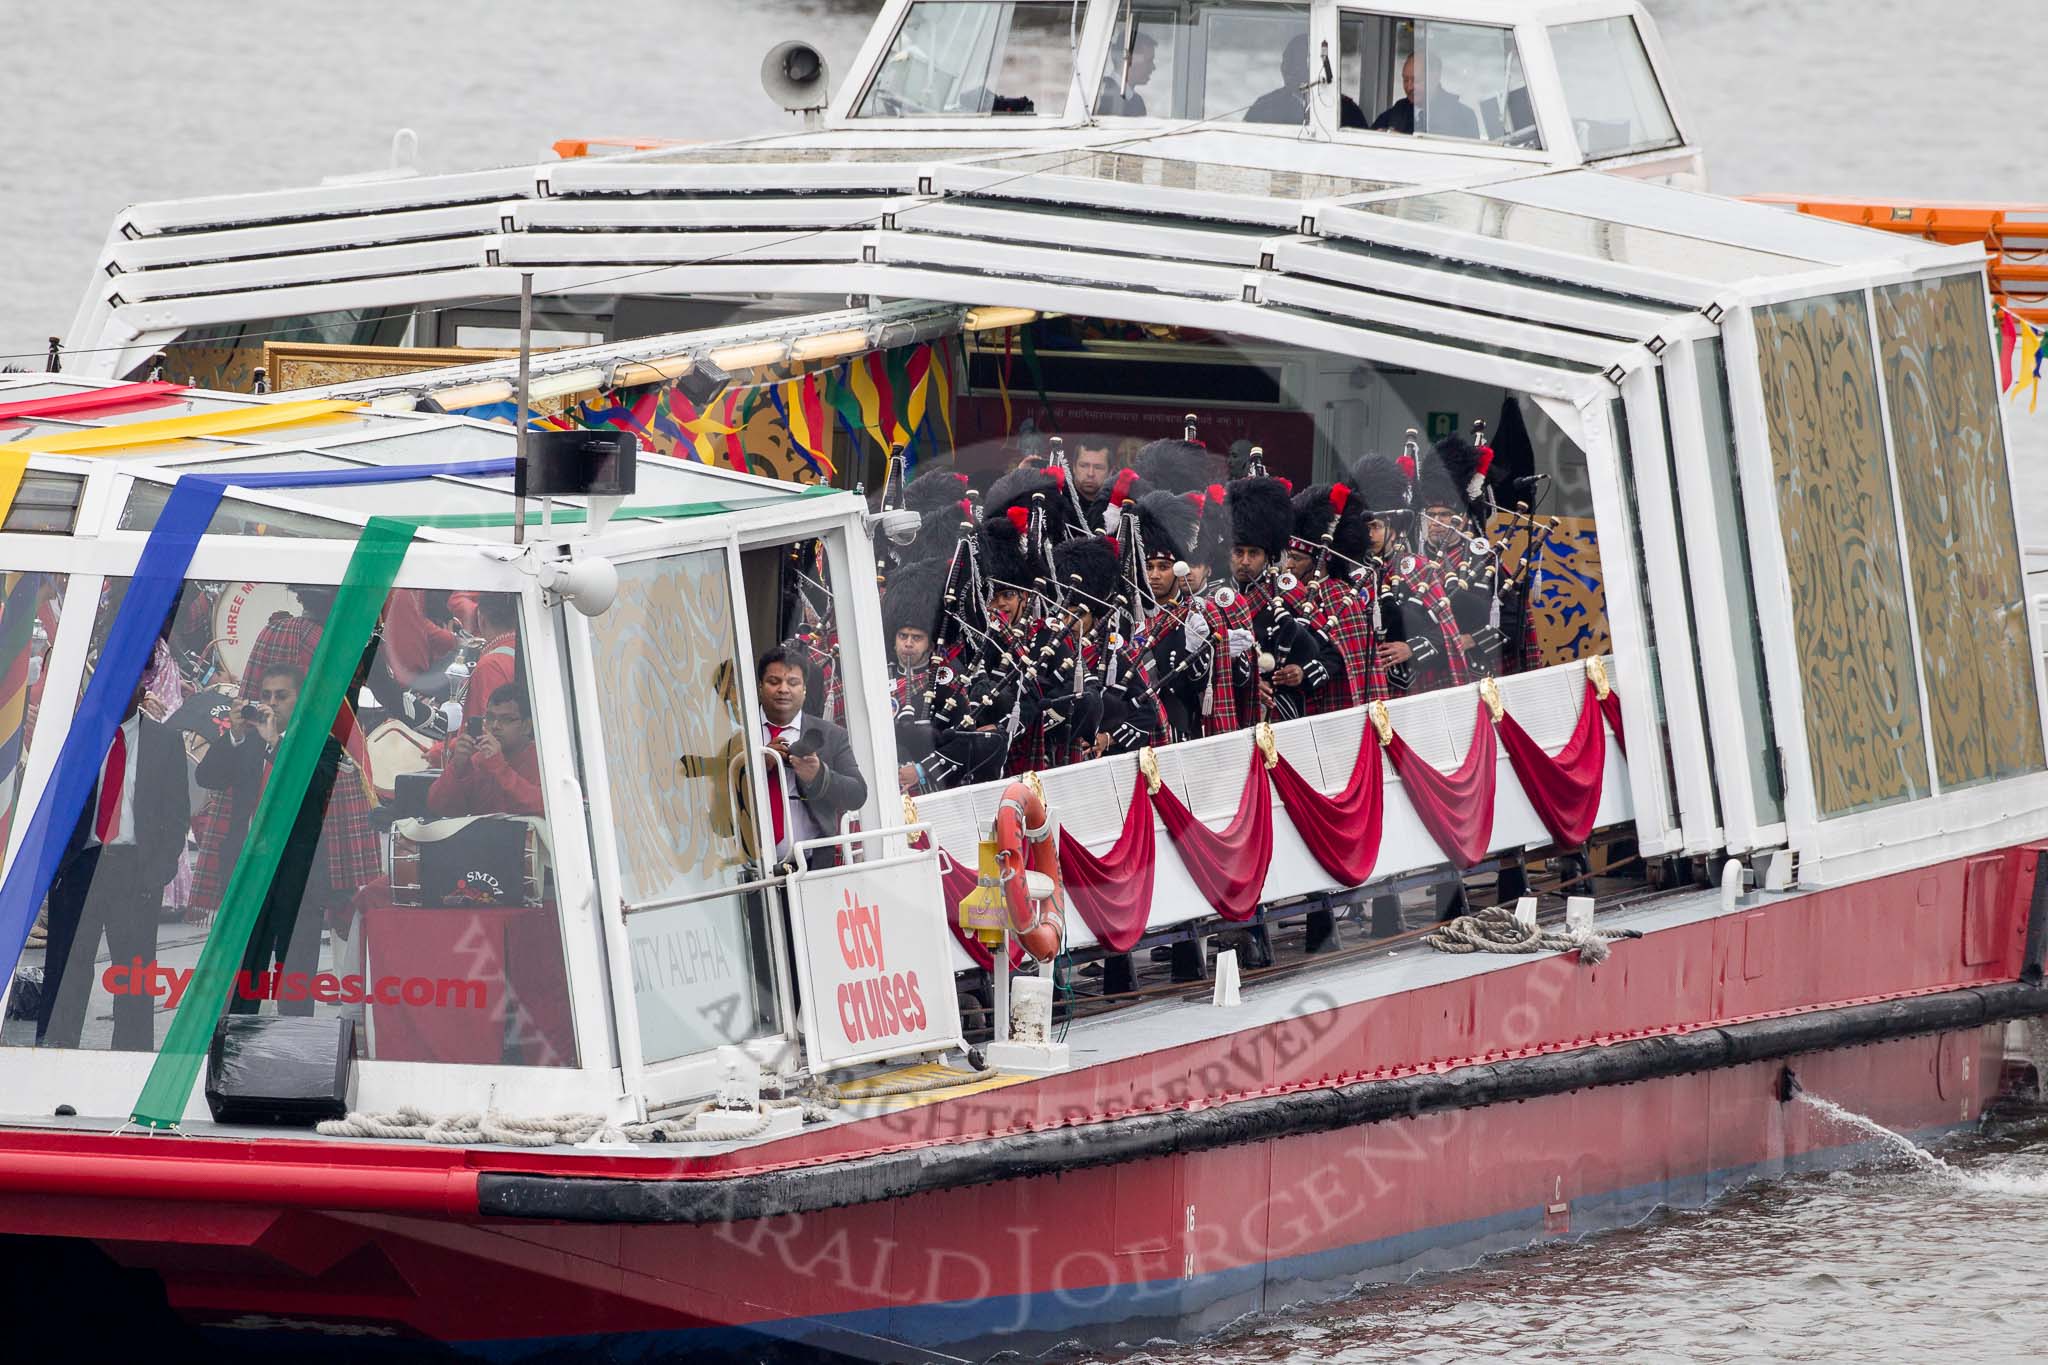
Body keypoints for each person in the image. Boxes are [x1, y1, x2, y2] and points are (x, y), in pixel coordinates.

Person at [194, 665, 380, 1016]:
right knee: (240, 984)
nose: (272, 704)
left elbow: (311, 789)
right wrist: (234, 735)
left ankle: (291, 1055)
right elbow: (208, 776)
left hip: (300, 882)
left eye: (282, 696)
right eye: (266, 696)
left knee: (296, 984)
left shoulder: (320, 745)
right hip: (247, 875)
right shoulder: (246, 741)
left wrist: (275, 744)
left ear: (300, 700)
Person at [38, 680, 190, 1050]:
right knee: (67, 968)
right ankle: (55, 1051)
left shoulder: (164, 742)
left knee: (134, 974)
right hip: (81, 866)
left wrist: (158, 873)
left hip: (134, 868)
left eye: (131, 681)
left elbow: (177, 815)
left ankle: (132, 1058)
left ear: (143, 688)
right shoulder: (77, 737)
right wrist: (55, 869)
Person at [757, 647, 868, 869]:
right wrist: (757, 767)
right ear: (760, 687)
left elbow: (857, 794)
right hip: (751, 867)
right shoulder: (739, 731)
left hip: (813, 865)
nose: (783, 689)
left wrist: (819, 776)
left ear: (805, 689)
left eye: (793, 682)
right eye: (774, 681)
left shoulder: (831, 735)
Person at [427, 684, 543, 817]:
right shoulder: (478, 760)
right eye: (490, 717)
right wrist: (457, 768)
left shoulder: (542, 761)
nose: (495, 726)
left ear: (527, 726)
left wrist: (500, 768)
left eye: (506, 720)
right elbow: (438, 807)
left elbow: (543, 809)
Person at [1247, 33, 1369, 128]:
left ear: (1314, 67)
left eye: (1296, 63)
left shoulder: (1347, 110)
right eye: (1286, 62)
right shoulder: (1264, 105)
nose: (1286, 69)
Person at [1372, 52, 1479, 139]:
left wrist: (1402, 140)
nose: (1409, 87)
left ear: (1435, 78)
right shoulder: (1395, 113)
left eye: (1416, 80)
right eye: (1405, 80)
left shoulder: (1463, 117)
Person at [1095, 29, 1157, 117]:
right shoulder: (1105, 96)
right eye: (1149, 61)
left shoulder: (1101, 91)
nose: (1153, 67)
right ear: (1128, 60)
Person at [1072, 438, 1113, 506]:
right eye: (1084, 466)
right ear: (1074, 467)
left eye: (1098, 468)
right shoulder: (1053, 499)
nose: (1090, 474)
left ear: (1110, 472)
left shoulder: (1121, 507)